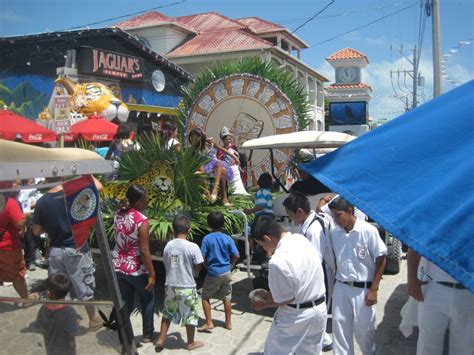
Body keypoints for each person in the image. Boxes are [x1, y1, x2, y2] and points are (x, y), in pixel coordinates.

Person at [32, 178, 103, 330]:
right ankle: (93, 319)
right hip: (76, 248)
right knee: (84, 286)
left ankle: (64, 320)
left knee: (59, 288)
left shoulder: (42, 202)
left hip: (56, 250)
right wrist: (86, 173)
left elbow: (36, 231)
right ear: (64, 177)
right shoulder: (74, 193)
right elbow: (99, 186)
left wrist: (50, 227)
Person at [250, 217, 327, 354]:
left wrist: (264, 304)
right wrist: (270, 294)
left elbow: (287, 299)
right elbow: (301, 280)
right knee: (310, 352)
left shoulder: (278, 260)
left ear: (268, 239)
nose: (263, 248)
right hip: (319, 309)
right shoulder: (300, 239)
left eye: (261, 245)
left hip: (296, 315)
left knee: (276, 351)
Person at [328, 196, 386, 355]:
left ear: (349, 211)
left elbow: (381, 258)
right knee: (340, 328)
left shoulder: (368, 231)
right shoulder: (335, 233)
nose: (336, 220)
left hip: (363, 289)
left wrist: (374, 289)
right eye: (333, 216)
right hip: (341, 286)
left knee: (364, 331)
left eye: (338, 215)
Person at [282, 191, 334, 352]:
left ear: (300, 211)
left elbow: (315, 260)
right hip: (315, 272)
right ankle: (322, 340)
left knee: (319, 307)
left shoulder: (314, 229)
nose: (290, 219)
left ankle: (321, 341)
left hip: (321, 273)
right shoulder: (306, 223)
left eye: (290, 215)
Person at [407, 248, 474, 355]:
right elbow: (415, 245)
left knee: (465, 346)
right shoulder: (434, 229)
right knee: (428, 342)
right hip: (434, 288)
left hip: (469, 292)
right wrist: (411, 278)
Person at [112, 185, 156, 343]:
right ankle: (148, 335)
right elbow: (144, 250)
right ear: (138, 202)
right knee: (148, 299)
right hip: (136, 269)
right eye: (145, 200)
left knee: (126, 301)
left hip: (118, 266)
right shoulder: (141, 220)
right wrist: (152, 274)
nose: (147, 203)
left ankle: (123, 334)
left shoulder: (117, 214)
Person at [155, 215, 204, 352]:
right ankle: (191, 342)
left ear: (172, 229)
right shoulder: (193, 246)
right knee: (190, 315)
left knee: (168, 312)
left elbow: (166, 262)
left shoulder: (168, 245)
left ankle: (161, 339)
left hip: (171, 284)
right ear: (189, 229)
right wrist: (195, 270)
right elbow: (198, 265)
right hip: (187, 285)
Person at [198, 212, 240, 332]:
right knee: (227, 297)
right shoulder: (227, 238)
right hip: (227, 271)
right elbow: (236, 255)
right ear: (223, 224)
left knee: (205, 296)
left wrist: (206, 266)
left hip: (213, 272)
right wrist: (231, 266)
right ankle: (228, 323)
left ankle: (209, 322)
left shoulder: (207, 238)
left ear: (209, 224)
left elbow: (202, 257)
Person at [36, 273, 80, 355]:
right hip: (67, 350)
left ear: (48, 293)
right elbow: (74, 331)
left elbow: (40, 327)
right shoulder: (70, 311)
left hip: (51, 349)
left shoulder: (43, 309)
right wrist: (76, 322)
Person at [188, 128, 233, 206]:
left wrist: (235, 157)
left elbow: (221, 149)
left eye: (195, 137)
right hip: (203, 167)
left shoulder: (208, 143)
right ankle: (218, 196)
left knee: (221, 167)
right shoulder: (191, 149)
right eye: (192, 138)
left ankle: (218, 192)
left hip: (214, 164)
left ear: (199, 137)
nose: (193, 140)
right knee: (221, 167)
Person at [0, 191, 29, 300]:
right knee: (17, 275)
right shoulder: (9, 201)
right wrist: (27, 217)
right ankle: (26, 299)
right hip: (7, 246)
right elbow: (19, 223)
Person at [218, 126, 248, 196]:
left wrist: (235, 161)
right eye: (226, 139)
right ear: (223, 140)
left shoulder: (233, 147)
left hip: (235, 168)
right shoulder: (220, 149)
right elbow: (219, 159)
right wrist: (225, 152)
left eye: (229, 139)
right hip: (226, 169)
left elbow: (237, 156)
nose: (228, 141)